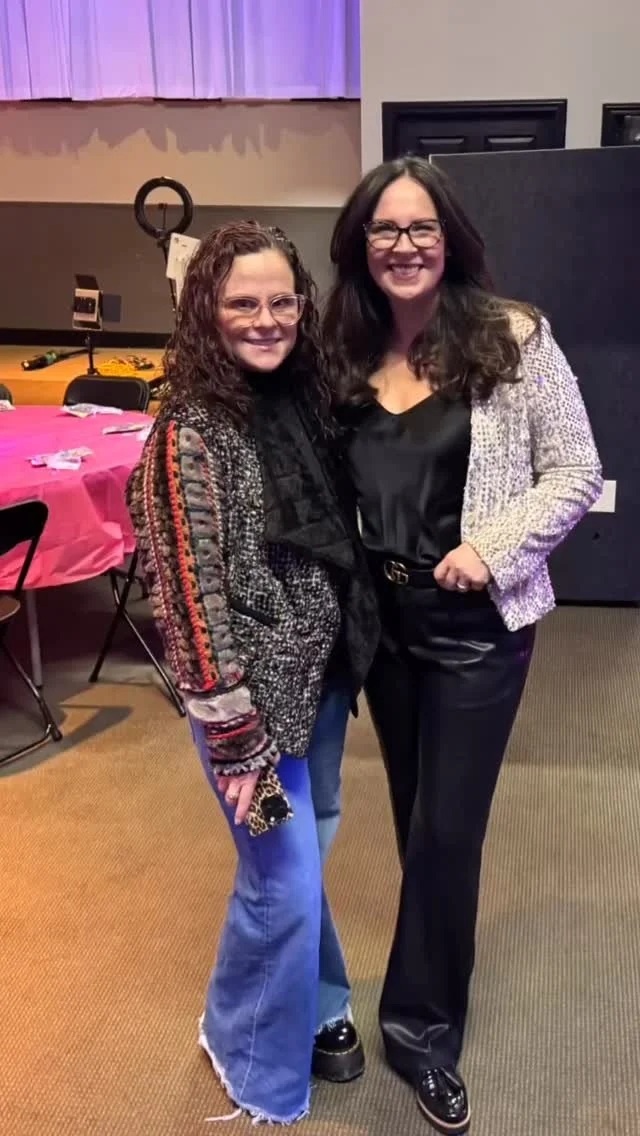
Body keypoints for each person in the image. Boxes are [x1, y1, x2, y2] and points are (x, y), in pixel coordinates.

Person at [323, 156, 603, 1135]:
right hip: (384, 628)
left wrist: (494, 546)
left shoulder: (511, 338)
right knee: (417, 821)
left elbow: (575, 469)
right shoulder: (343, 348)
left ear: (450, 239)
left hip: (476, 628)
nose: (403, 245)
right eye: (384, 229)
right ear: (361, 244)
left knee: (448, 828)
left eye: (421, 228)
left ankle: (422, 1033)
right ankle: (427, 977)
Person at [127, 221, 378, 1125]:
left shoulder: (306, 399)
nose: (266, 319)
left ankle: (321, 1000)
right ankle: (249, 1056)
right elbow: (188, 598)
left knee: (310, 850)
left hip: (322, 686)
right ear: (206, 309)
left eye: (282, 301)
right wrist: (234, 738)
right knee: (283, 880)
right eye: (242, 303)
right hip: (251, 715)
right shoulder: (187, 433)